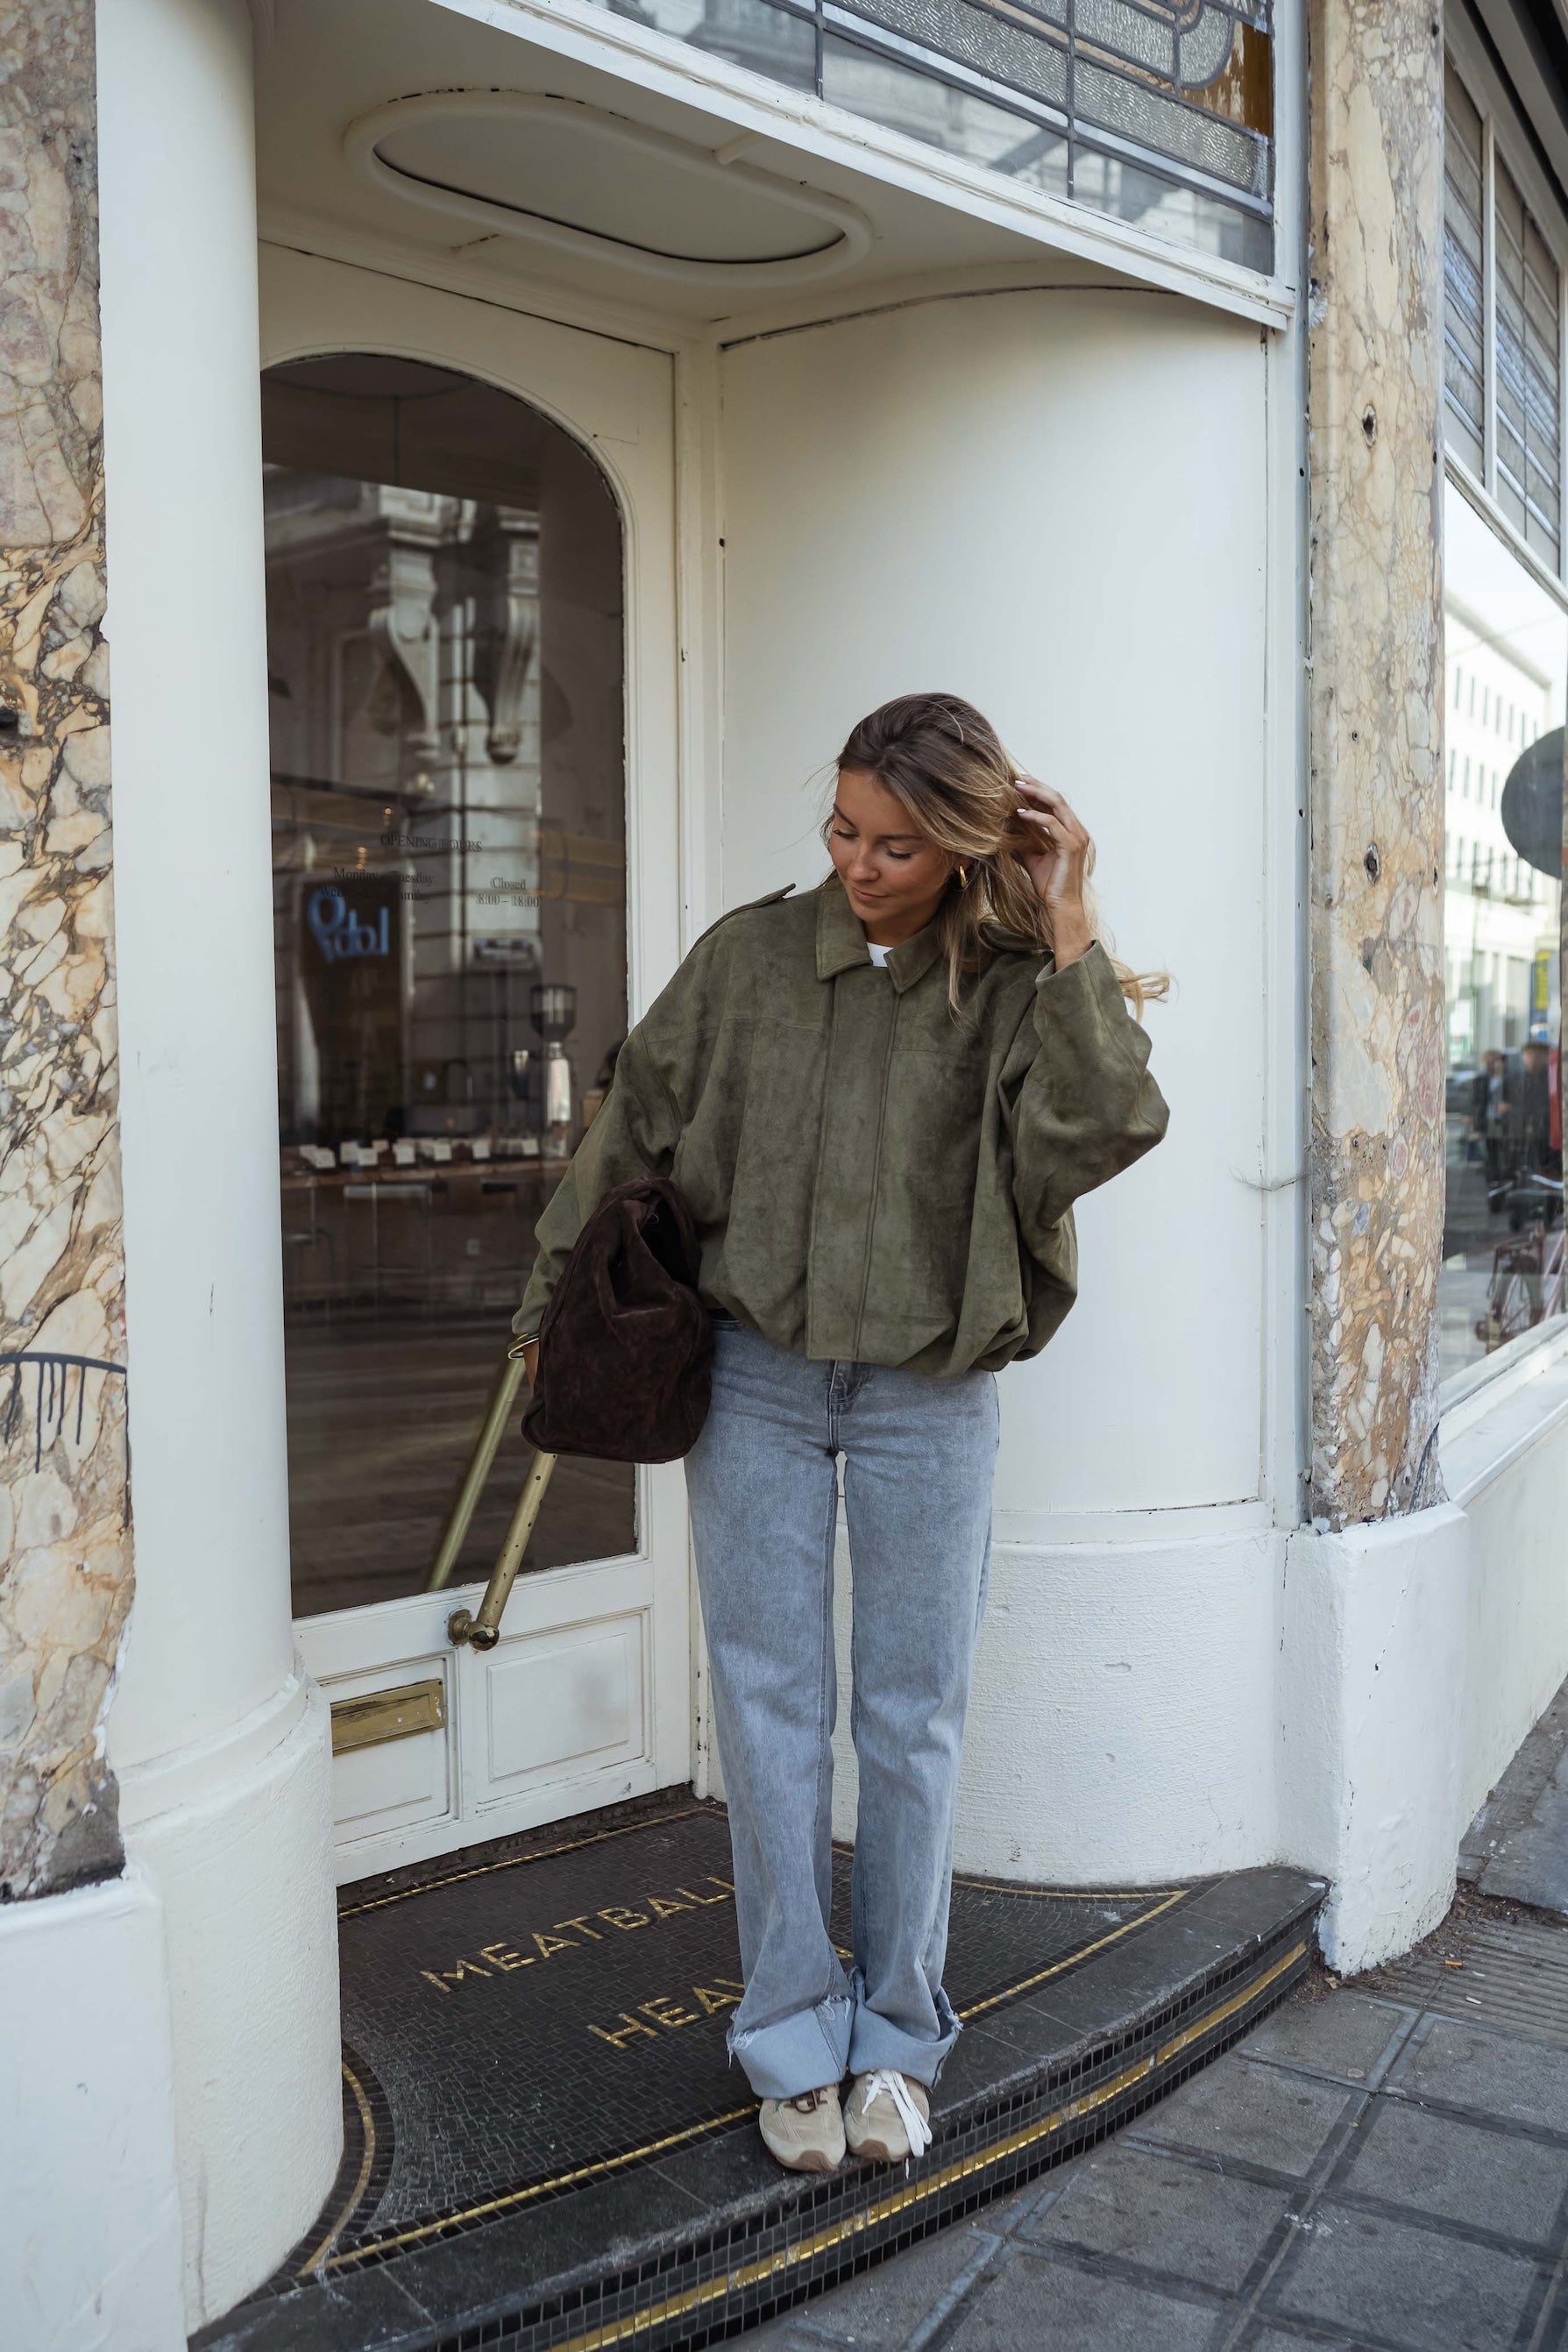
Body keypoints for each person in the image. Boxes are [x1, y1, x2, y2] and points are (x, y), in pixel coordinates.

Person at [512, 693, 1169, 2175]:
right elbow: (631, 1129)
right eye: (841, 831)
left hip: (931, 1389)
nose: (858, 863)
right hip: (749, 1373)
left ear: (958, 843)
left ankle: (901, 2037)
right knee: (770, 1713)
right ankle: (789, 2036)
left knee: (912, 1719)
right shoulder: (748, 960)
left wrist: (1067, 925)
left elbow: (1100, 1132)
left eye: (892, 843)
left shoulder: (1012, 982)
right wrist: (551, 1303)